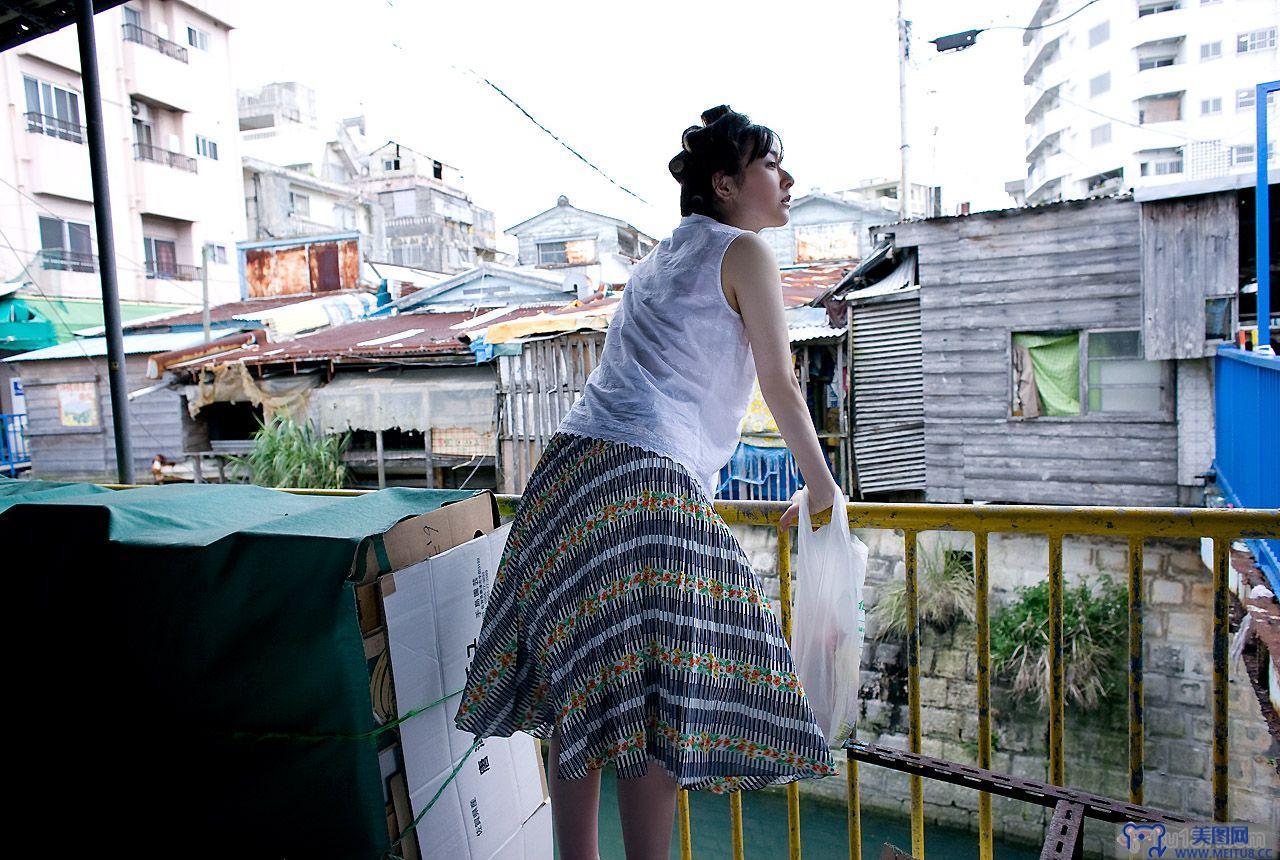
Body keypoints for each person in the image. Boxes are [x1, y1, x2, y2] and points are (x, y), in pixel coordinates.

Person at [455, 105, 841, 860]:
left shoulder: (660, 259)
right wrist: (825, 490)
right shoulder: (746, 252)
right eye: (770, 164)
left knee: (588, 690)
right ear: (727, 184)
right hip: (642, 480)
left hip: (567, 477)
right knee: (655, 696)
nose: (787, 179)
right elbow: (781, 382)